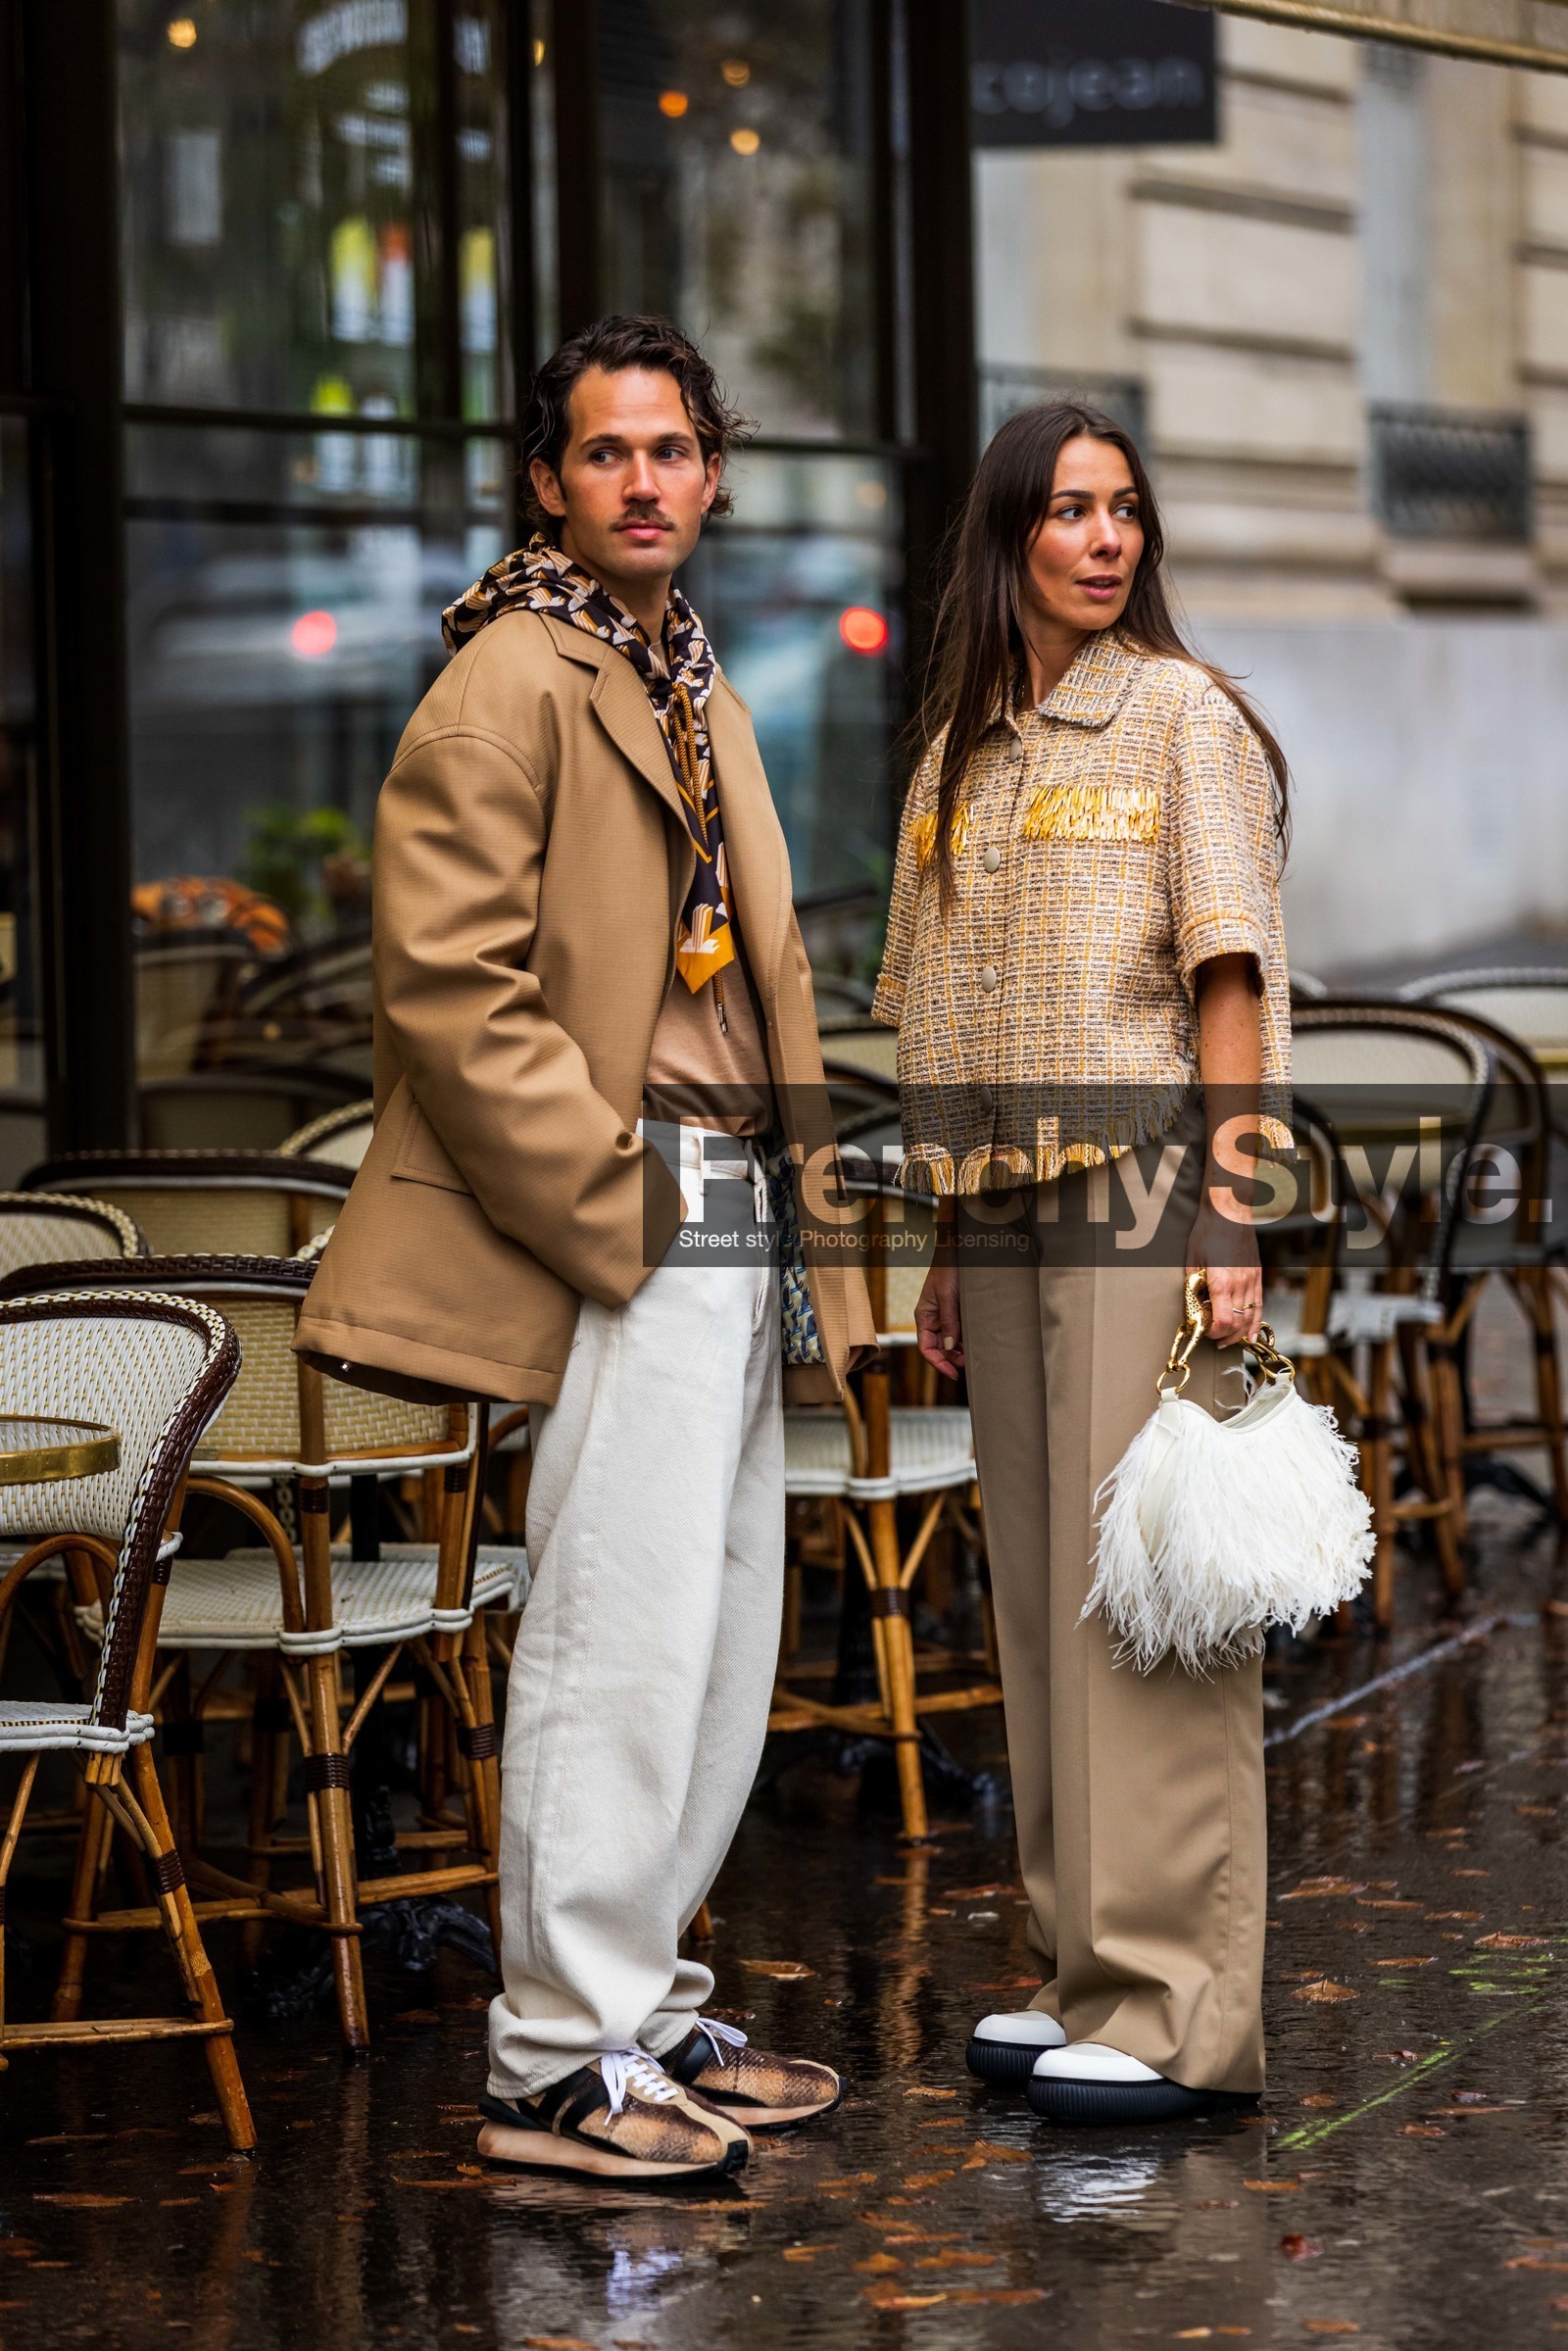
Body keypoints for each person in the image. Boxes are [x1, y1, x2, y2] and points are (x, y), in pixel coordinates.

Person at [297, 315, 875, 2180]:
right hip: (636, 1208)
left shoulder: (683, 667)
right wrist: (624, 1208)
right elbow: (450, 995)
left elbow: (758, 971)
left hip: (734, 1201)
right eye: (605, 453)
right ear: (550, 477)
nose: (644, 481)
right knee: (618, 1634)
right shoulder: (509, 681)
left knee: (718, 1627)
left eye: (673, 450)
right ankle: (554, 2052)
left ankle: (640, 2000)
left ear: (712, 472)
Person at [872, 402, 1292, 2125]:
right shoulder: (965, 741)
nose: (1106, 540)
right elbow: (942, 1014)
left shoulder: (1184, 715)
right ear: (1008, 539)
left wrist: (1235, 1219)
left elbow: (1233, 977)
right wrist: (945, 1246)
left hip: (1145, 1191)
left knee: (1150, 1601)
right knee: (1044, 1595)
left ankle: (1183, 2010)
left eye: (1126, 512)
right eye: (1069, 511)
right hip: (1008, 1203)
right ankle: (1084, 1968)